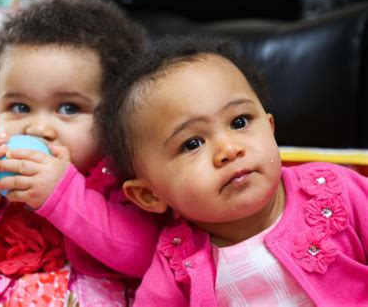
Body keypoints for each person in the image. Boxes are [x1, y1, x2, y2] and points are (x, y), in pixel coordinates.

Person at [0, 0, 162, 306]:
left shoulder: (125, 179)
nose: (37, 127)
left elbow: (146, 257)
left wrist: (62, 193)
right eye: (19, 107)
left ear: (115, 116)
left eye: (69, 108)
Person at [96, 35, 368, 306]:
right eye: (192, 143)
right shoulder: (176, 264)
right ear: (150, 195)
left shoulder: (332, 190)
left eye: (239, 122)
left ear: (269, 128)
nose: (229, 149)